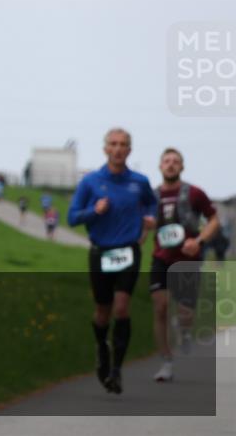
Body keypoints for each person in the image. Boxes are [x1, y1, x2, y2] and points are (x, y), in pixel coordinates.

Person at [67, 128, 156, 394]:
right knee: (102, 312)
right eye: (113, 144)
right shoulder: (91, 181)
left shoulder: (140, 181)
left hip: (128, 251)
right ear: (105, 149)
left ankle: (117, 369)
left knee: (121, 308)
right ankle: (102, 349)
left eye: (124, 144)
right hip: (100, 252)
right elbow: (72, 217)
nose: (118, 149)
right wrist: (93, 211)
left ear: (129, 150)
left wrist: (150, 220)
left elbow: (152, 205)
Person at [148, 148, 219, 382]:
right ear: (159, 166)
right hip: (161, 258)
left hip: (187, 260)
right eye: (166, 161)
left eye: (175, 162)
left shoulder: (195, 193)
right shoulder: (151, 196)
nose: (170, 165)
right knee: (160, 307)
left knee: (185, 312)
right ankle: (166, 362)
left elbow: (214, 220)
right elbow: (143, 225)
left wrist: (198, 241)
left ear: (182, 167)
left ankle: (185, 330)